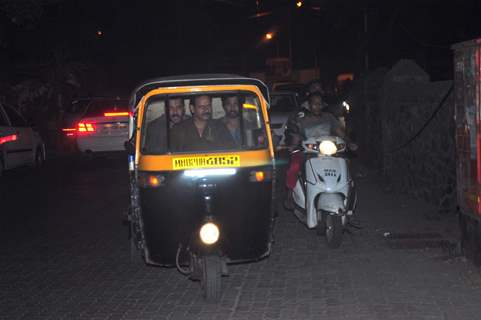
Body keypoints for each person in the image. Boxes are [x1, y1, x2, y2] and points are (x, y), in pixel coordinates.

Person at [284, 92, 346, 208]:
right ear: (309, 105)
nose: (317, 106)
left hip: (329, 151)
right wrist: (293, 145)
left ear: (323, 105)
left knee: (344, 164)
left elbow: (339, 132)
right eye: (314, 104)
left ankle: (347, 200)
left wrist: (350, 142)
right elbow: (296, 134)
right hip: (307, 152)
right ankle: (290, 195)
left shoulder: (329, 117)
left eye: (319, 104)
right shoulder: (302, 119)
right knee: (295, 165)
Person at [171, 95, 235, 151]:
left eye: (208, 105)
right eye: (201, 107)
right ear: (192, 108)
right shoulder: (179, 129)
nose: (206, 109)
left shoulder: (219, 127)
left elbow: (232, 150)